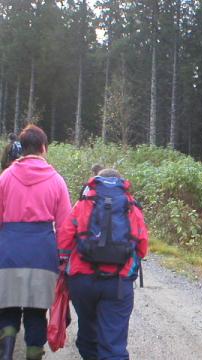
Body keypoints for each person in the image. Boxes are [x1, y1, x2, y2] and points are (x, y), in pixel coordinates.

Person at [57, 168, 148, 360]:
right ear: (119, 182)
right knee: (113, 343)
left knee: (88, 333)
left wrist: (63, 266)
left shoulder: (84, 203)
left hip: (82, 281)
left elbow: (64, 239)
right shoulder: (131, 206)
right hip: (118, 283)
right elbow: (142, 247)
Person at [0, 124, 71, 360]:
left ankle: (7, 351)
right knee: (36, 312)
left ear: (21, 148)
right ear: (43, 147)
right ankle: (33, 355)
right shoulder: (56, 180)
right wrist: (64, 259)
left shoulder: (5, 177)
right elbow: (65, 225)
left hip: (9, 250)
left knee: (8, 307)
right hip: (42, 253)